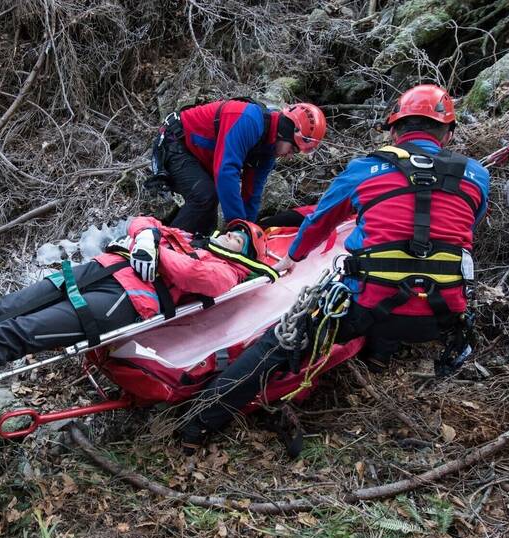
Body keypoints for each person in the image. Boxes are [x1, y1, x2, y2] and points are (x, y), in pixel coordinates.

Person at [178, 84, 490, 453]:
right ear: (449, 133)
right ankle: (378, 356)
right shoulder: (476, 174)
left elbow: (320, 221)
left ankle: (196, 425)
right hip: (442, 315)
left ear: (394, 130)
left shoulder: (368, 167)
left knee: (280, 342)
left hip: (371, 305)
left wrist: (293, 257)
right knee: (405, 289)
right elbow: (466, 228)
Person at [0, 216, 279, 398]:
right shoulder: (189, 239)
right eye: (232, 230)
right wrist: (147, 235)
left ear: (246, 254)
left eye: (240, 238)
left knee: (15, 334)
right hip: (94, 273)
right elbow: (143, 222)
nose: (229, 235)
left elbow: (195, 279)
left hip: (119, 304)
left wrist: (156, 249)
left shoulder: (230, 272)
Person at [146, 97, 327, 235]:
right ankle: (160, 247)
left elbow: (252, 195)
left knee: (206, 225)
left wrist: (248, 231)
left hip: (199, 156)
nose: (289, 156)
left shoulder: (268, 151)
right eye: (294, 149)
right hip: (175, 143)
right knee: (205, 196)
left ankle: (186, 256)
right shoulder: (249, 120)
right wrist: (238, 226)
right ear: (288, 131)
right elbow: (225, 173)